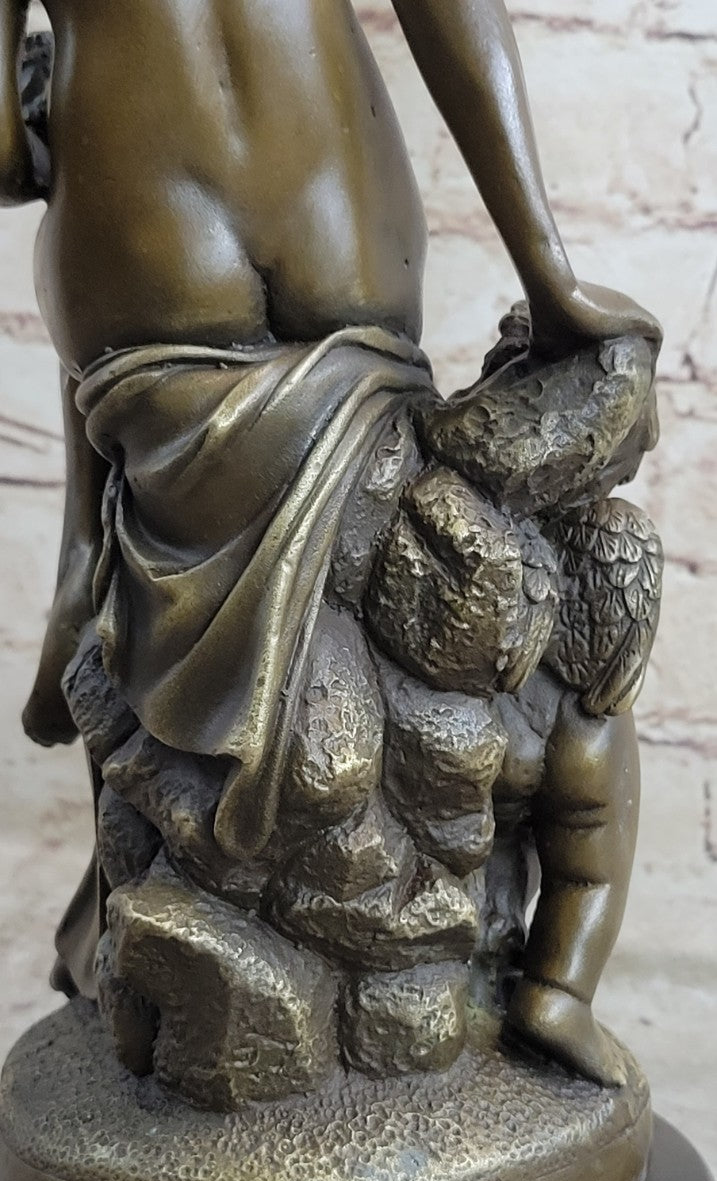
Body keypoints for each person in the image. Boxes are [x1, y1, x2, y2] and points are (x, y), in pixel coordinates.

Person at [0, 0, 661, 1075]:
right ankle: (548, 978)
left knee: (142, 610)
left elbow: (2, 150)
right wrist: (551, 274)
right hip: (340, 244)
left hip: (148, 285)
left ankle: (158, 913)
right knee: (540, 669)